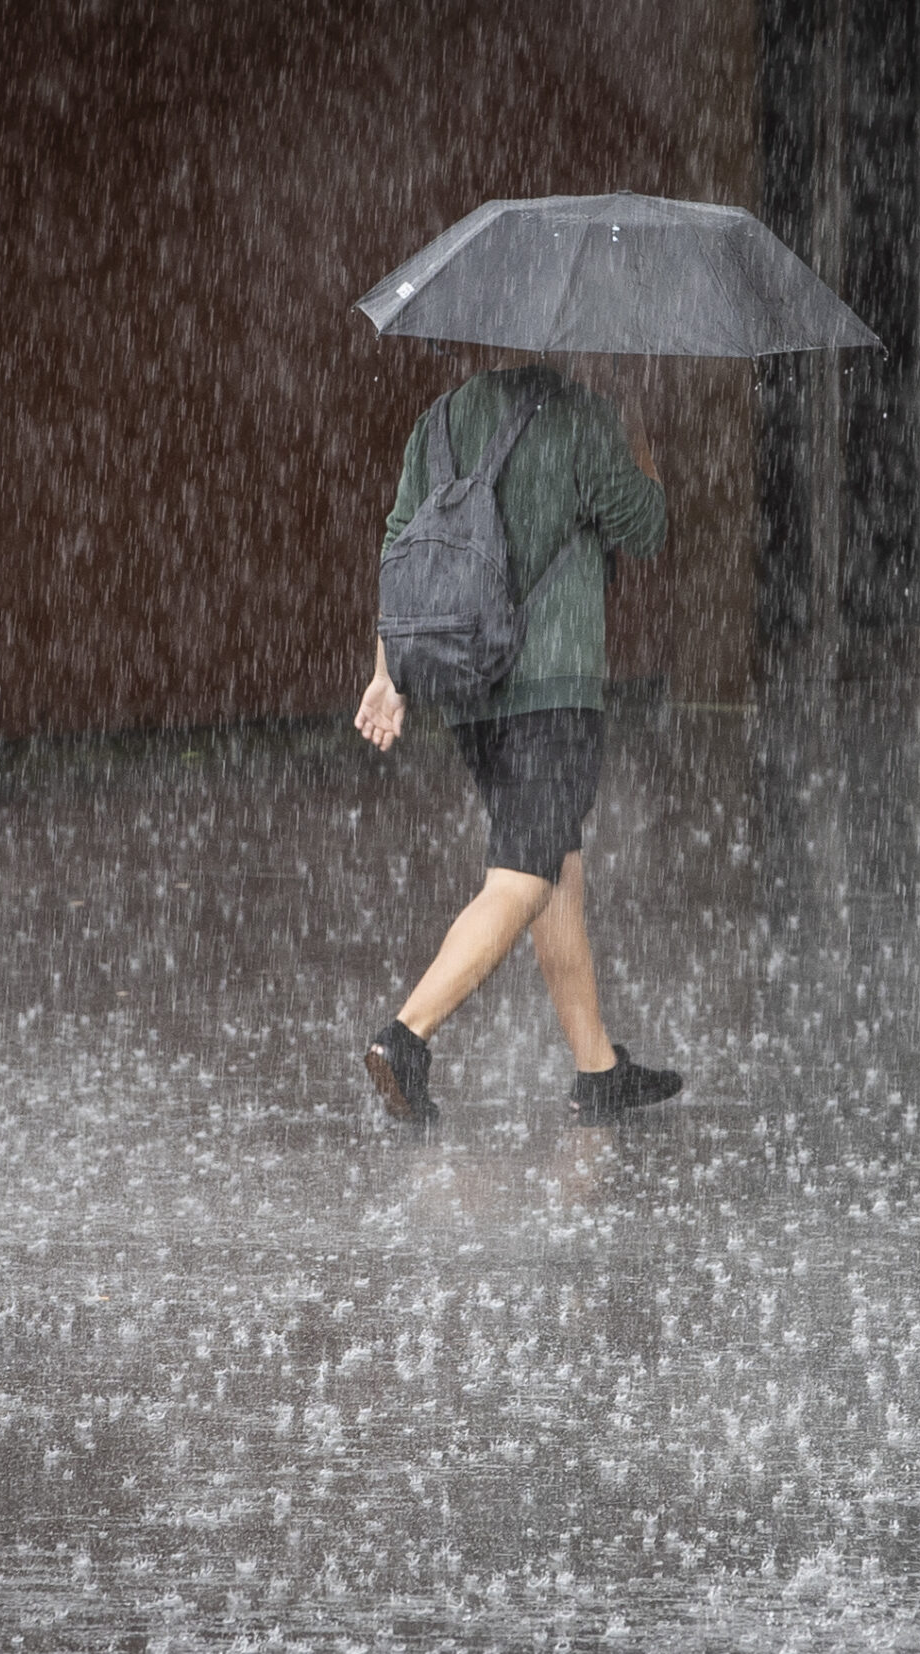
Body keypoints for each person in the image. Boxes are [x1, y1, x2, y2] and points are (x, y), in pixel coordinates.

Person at [356, 358, 686, 1126]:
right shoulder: (584, 417)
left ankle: (598, 1068)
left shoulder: (439, 420)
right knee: (524, 875)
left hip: (469, 688)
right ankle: (407, 1036)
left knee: (553, 868)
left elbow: (401, 548)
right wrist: (638, 441)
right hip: (551, 690)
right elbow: (646, 529)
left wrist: (387, 673)